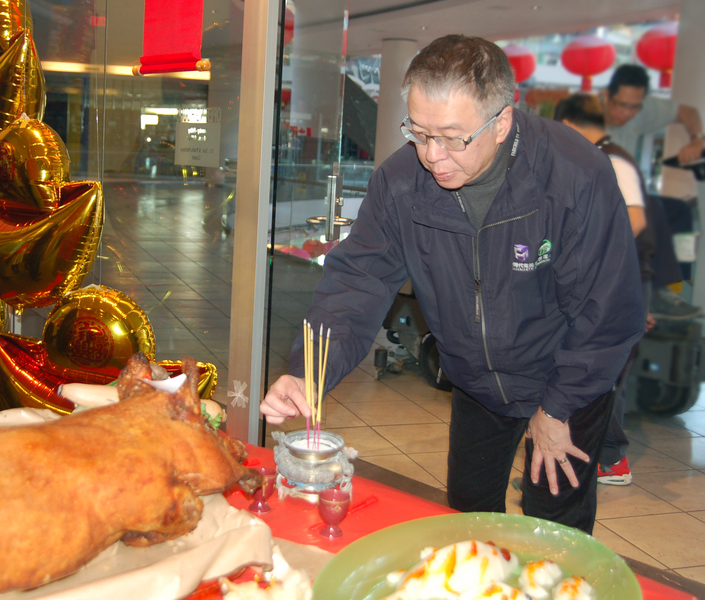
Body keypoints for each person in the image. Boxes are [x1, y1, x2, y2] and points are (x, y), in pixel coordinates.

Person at [261, 35, 645, 534]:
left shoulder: (575, 175)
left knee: (555, 525)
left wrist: (558, 408)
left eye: (451, 137)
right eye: (418, 133)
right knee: (468, 513)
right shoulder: (402, 182)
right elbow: (358, 280)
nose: (432, 156)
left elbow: (608, 308)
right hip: (476, 379)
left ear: (502, 122)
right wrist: (311, 371)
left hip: (566, 375)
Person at [555, 93, 659, 486]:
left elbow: (633, 221)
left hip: (619, 279)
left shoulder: (611, 159)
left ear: (566, 125)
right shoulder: (601, 157)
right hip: (609, 277)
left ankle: (611, 459)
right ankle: (591, 457)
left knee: (604, 369)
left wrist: (588, 262)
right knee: (591, 369)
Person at [603, 64, 704, 321]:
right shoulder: (587, 118)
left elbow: (687, 111)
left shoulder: (642, 111)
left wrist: (698, 138)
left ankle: (675, 287)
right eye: (621, 104)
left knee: (680, 209)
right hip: (598, 201)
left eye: (634, 107)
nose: (626, 113)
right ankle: (657, 292)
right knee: (653, 208)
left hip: (630, 198)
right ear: (606, 95)